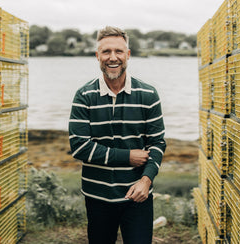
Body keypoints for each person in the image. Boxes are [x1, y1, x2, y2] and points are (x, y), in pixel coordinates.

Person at [68, 26, 166, 244]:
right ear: (97, 56)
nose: (113, 58)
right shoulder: (84, 95)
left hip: (138, 194)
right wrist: (128, 156)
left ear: (128, 55)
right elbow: (79, 146)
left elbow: (157, 143)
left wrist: (146, 180)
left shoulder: (148, 94)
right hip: (97, 196)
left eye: (119, 51)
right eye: (106, 52)